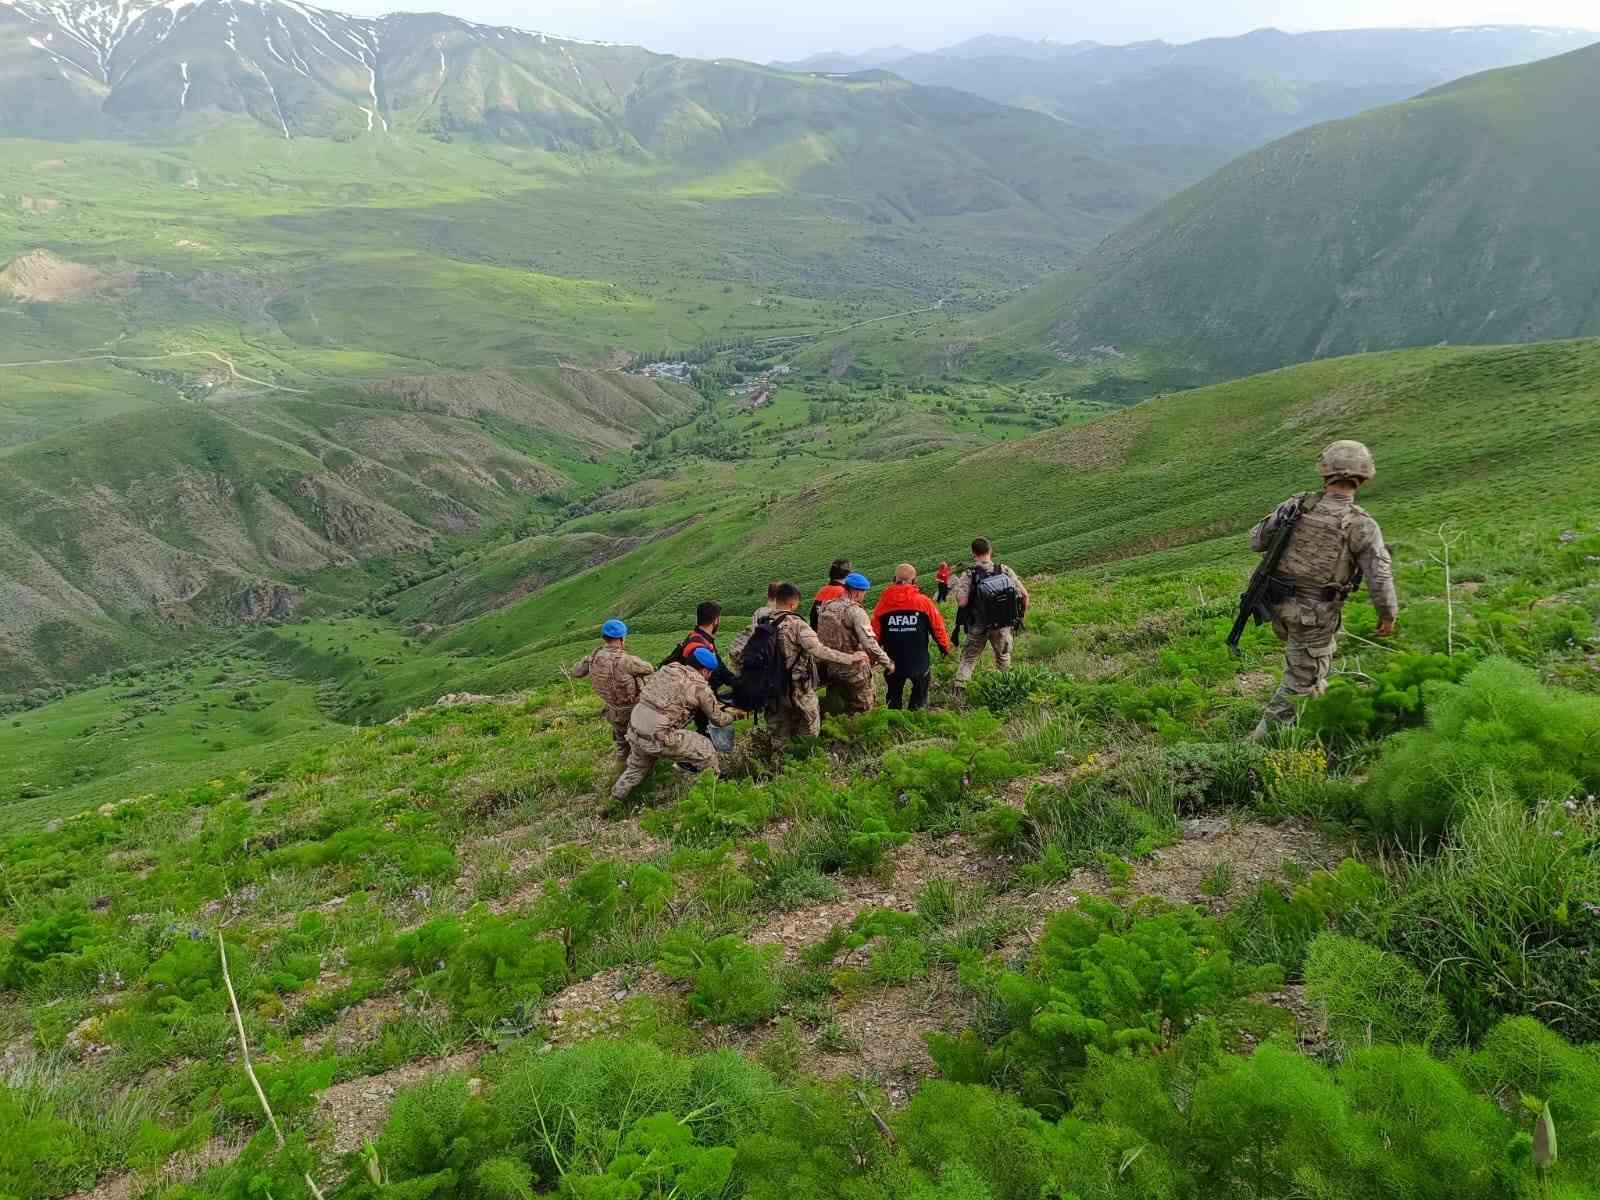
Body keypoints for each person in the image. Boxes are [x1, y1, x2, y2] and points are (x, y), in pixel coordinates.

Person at [1247, 440, 1398, 740]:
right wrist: (1388, 614)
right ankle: (1256, 745)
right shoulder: (1362, 525)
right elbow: (1378, 575)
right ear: (1364, 477)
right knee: (1299, 682)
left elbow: (1257, 541)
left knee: (1312, 666)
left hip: (1277, 605)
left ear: (1325, 472)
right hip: (1313, 615)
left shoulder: (1297, 505)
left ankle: (1314, 719)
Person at [612, 647, 740, 803]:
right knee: (706, 749)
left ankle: (613, 801)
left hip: (635, 728)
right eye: (710, 672)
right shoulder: (700, 688)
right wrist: (734, 716)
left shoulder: (668, 669)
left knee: (636, 769)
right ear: (706, 671)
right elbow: (718, 719)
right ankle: (713, 794)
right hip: (658, 736)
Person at [765, 581, 870, 741]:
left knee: (779, 734)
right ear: (793, 603)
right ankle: (803, 759)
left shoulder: (760, 624)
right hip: (798, 687)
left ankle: (780, 762)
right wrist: (850, 658)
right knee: (809, 731)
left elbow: (736, 652)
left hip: (771, 688)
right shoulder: (797, 625)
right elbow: (819, 651)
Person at [951, 537, 1029, 705]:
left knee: (969, 659)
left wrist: (957, 589)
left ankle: (958, 694)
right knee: (1003, 657)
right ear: (990, 551)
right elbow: (1024, 595)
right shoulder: (1004, 570)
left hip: (978, 626)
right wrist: (1020, 617)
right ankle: (1007, 693)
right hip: (1002, 626)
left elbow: (963, 602)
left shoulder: (969, 574)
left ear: (973, 554)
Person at [569, 618, 654, 763]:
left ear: (604, 637)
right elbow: (649, 668)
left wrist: (587, 660)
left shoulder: (593, 657)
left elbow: (575, 672)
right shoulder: (626, 660)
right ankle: (640, 765)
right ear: (622, 638)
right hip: (632, 711)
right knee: (639, 741)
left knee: (621, 741)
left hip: (611, 710)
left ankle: (621, 763)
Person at [872, 564, 952, 711]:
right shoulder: (923, 602)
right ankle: (915, 719)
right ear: (914, 581)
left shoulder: (882, 604)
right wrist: (944, 648)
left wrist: (872, 659)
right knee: (920, 696)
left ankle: (894, 722)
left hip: (892, 662)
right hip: (919, 661)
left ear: (893, 579)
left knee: (893, 696)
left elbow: (874, 635)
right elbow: (938, 628)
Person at [816, 572, 894, 714]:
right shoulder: (856, 612)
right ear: (857, 593)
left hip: (830, 666)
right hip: (853, 668)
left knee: (837, 706)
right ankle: (857, 733)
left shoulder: (826, 606)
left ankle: (835, 730)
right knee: (862, 708)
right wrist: (887, 662)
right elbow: (869, 644)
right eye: (864, 592)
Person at [729, 580, 782, 669]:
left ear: (768, 595)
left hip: (754, 658)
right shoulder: (779, 614)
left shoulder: (759, 611)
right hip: (771, 661)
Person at [809, 559, 852, 629]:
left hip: (818, 634)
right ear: (848, 574)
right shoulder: (844, 592)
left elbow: (813, 616)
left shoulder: (822, 590)